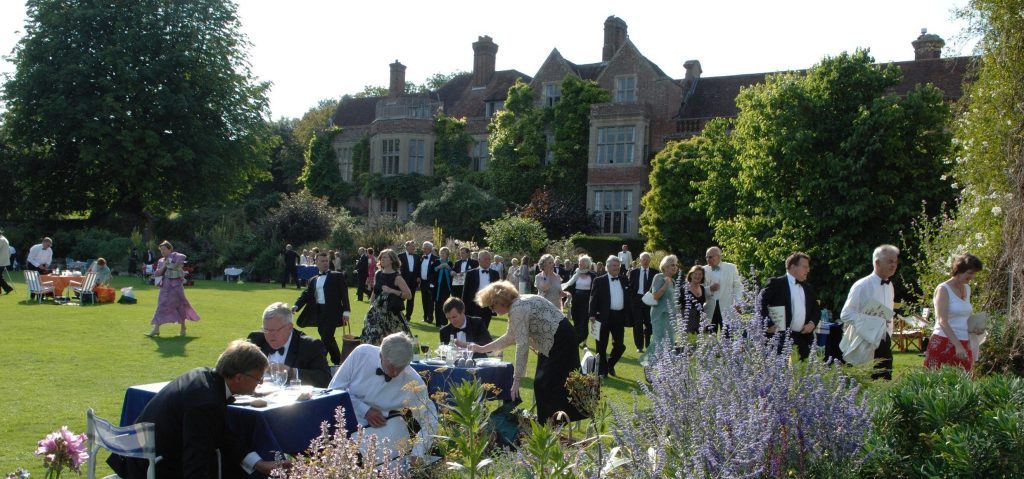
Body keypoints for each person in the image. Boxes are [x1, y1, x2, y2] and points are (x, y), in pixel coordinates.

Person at [107, 340, 284, 478]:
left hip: (140, 457)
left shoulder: (203, 376)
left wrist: (258, 463)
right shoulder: (206, 402)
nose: (259, 384)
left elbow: (222, 433)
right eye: (258, 379)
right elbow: (196, 460)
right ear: (239, 378)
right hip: (152, 468)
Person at [464, 281, 585, 423]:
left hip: (560, 341)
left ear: (500, 301)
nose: (492, 310)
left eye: (492, 305)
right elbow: (510, 336)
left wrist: (516, 380)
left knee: (545, 384)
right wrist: (482, 348)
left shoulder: (517, 309)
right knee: (545, 383)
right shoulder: (518, 303)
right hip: (556, 339)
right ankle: (551, 423)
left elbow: (522, 344)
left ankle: (550, 425)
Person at [328, 333, 438, 460]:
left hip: (383, 434)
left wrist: (418, 452)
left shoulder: (412, 381)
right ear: (381, 355)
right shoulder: (361, 354)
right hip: (345, 424)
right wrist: (365, 410)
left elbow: (430, 419)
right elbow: (334, 390)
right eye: (392, 366)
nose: (395, 372)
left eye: (400, 367)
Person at [840, 245, 900, 380]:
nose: (894, 265)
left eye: (895, 262)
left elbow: (887, 314)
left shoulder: (890, 286)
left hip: (884, 340)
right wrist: (869, 322)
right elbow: (846, 314)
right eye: (890, 261)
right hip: (864, 342)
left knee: (884, 380)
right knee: (863, 383)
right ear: (877, 262)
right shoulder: (862, 285)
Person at [247, 302, 332, 387]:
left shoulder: (310, 346)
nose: (269, 335)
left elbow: (325, 379)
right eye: (266, 330)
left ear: (289, 327)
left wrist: (291, 372)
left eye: (274, 330)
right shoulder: (256, 340)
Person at [924, 253, 984, 371]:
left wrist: (974, 328)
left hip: (964, 341)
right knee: (937, 384)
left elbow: (963, 316)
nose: (973, 276)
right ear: (959, 270)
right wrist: (957, 345)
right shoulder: (943, 289)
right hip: (943, 341)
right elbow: (942, 321)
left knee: (965, 385)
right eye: (970, 273)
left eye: (974, 273)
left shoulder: (967, 288)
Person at [758, 252, 821, 360]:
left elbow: (816, 309)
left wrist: (812, 323)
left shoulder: (808, 288)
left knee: (803, 373)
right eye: (805, 267)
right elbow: (760, 304)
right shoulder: (776, 283)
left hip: (802, 338)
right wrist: (767, 325)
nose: (808, 270)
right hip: (780, 338)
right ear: (793, 267)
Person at [292, 251, 351, 365]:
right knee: (328, 338)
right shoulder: (313, 279)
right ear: (316, 262)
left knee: (326, 338)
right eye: (322, 261)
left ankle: (319, 360)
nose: (325, 263)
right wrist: (296, 305)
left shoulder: (337, 276)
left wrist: (346, 312)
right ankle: (338, 361)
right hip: (318, 312)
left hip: (332, 313)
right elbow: (306, 295)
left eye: (326, 261)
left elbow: (344, 295)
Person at [589, 255, 631, 377]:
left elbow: (628, 298)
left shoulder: (624, 280)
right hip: (602, 316)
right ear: (607, 267)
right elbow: (593, 298)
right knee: (601, 345)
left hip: (619, 316)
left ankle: (610, 363)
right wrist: (591, 314)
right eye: (614, 266)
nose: (616, 268)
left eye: (618, 266)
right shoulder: (599, 280)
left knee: (620, 345)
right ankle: (602, 371)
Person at [147, 241, 200, 337]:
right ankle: (156, 329)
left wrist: (173, 262)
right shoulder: (161, 261)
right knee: (161, 306)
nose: (162, 251)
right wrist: (165, 266)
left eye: (164, 249)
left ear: (170, 249)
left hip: (176, 287)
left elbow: (183, 257)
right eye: (161, 250)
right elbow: (157, 273)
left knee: (180, 306)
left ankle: (183, 327)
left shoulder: (176, 256)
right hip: (165, 287)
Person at [361, 249, 412, 346]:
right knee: (372, 339)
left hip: (391, 315)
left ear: (392, 260)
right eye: (381, 257)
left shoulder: (397, 277)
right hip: (376, 313)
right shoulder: (378, 274)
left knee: (394, 343)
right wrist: (370, 307)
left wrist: (391, 290)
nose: (381, 259)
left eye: (385, 257)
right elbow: (375, 292)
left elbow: (409, 295)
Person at [641, 256, 680, 366]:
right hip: (660, 315)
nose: (675, 267)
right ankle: (648, 366)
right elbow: (655, 296)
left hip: (671, 317)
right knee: (658, 342)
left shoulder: (673, 281)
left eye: (676, 265)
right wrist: (665, 284)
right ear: (665, 266)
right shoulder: (658, 277)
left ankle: (666, 369)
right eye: (672, 264)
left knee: (670, 342)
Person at [702, 246, 744, 333]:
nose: (707, 259)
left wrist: (738, 301)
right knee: (710, 340)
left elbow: (737, 286)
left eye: (710, 257)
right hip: (710, 308)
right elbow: (699, 289)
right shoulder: (703, 270)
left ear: (719, 257)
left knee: (728, 338)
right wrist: (710, 289)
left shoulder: (731, 268)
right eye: (706, 257)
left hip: (727, 308)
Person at [562, 255, 597, 344]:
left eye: (581, 262)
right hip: (576, 299)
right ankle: (578, 337)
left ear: (586, 264)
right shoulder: (576, 273)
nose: (579, 264)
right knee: (576, 320)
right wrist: (568, 299)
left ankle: (582, 339)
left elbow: (595, 290)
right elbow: (570, 287)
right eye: (579, 262)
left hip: (587, 301)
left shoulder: (592, 275)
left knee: (584, 321)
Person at [461, 250, 500, 329]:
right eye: (486, 259)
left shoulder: (495, 274)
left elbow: (497, 292)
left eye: (489, 259)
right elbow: (465, 291)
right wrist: (463, 307)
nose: (488, 261)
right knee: (473, 328)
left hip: (488, 306)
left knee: (484, 328)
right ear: (479, 260)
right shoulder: (470, 273)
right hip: (473, 305)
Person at [628, 252, 658, 353]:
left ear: (649, 260)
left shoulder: (655, 273)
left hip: (649, 301)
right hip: (637, 300)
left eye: (647, 259)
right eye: (643, 259)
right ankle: (639, 346)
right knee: (637, 324)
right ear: (640, 261)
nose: (645, 261)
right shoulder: (634, 272)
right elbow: (631, 287)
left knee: (649, 323)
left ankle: (648, 343)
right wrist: (632, 300)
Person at [431, 247, 455, 327]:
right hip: (438, 287)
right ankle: (438, 322)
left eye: (444, 253)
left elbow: (452, 272)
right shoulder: (436, 262)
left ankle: (444, 322)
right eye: (441, 253)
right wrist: (439, 267)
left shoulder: (450, 262)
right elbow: (432, 271)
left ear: (447, 255)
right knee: (437, 304)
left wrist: (448, 267)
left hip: (446, 287)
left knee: (445, 304)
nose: (442, 254)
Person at [680, 265, 706, 334]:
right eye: (695, 274)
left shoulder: (702, 288)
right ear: (690, 275)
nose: (697, 276)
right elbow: (678, 305)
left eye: (700, 274)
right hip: (688, 321)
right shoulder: (683, 289)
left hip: (700, 320)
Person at [400, 240, 420, 324]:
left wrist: (418, 277)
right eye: (412, 246)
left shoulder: (417, 257)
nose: (413, 247)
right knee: (400, 298)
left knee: (411, 299)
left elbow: (419, 268)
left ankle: (408, 316)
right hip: (402, 280)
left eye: (414, 246)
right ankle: (399, 315)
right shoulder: (400, 256)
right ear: (407, 247)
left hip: (413, 280)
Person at [418, 242, 438, 324]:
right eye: (423, 248)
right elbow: (419, 269)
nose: (424, 249)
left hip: (431, 283)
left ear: (430, 249)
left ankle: (430, 318)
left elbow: (436, 272)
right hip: (423, 282)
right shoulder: (422, 258)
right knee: (424, 300)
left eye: (425, 248)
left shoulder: (435, 259)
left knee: (430, 301)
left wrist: (433, 282)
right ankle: (425, 317)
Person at [0, 230, 13, 295]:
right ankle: (7, 289)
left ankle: (8, 288)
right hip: (3, 261)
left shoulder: (1, 240)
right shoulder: (4, 239)